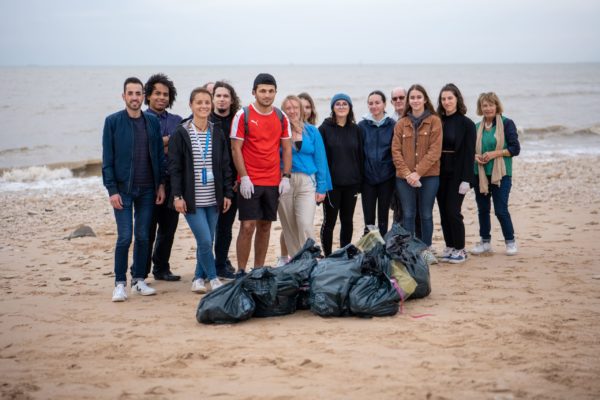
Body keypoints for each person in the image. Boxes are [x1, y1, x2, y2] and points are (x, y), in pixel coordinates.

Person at [102, 77, 165, 302]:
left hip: (148, 188)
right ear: (124, 96)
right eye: (131, 93)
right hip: (123, 190)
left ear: (143, 96)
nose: (135, 98)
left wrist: (161, 185)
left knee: (143, 236)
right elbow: (107, 160)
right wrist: (112, 191)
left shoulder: (152, 122)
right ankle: (120, 283)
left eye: (138, 93)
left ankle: (139, 279)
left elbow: (158, 156)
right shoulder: (112, 122)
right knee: (125, 237)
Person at [168, 87, 233, 293]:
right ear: (191, 105)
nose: (204, 106)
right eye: (199, 103)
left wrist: (228, 193)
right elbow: (175, 168)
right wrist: (177, 196)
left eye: (207, 102)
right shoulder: (181, 132)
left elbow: (224, 166)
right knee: (204, 240)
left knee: (208, 240)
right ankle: (212, 278)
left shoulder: (217, 131)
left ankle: (197, 278)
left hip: (213, 197)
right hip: (191, 198)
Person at [230, 73, 292, 276]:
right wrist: (244, 177)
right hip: (250, 180)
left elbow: (287, 148)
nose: (267, 95)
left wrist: (286, 176)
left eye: (271, 91)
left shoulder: (281, 117)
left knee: (265, 226)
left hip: (273, 181)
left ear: (275, 92)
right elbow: (235, 148)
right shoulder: (243, 114)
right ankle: (240, 270)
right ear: (254, 92)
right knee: (247, 226)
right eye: (262, 91)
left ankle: (257, 270)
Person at [277, 95, 331, 264]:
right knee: (290, 227)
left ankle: (312, 258)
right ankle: (298, 263)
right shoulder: (279, 131)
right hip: (284, 181)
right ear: (283, 111)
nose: (292, 111)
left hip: (307, 182)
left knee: (305, 223)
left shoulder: (312, 131)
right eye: (288, 108)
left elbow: (321, 159)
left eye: (295, 107)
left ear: (301, 110)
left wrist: (322, 188)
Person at [391, 84, 442, 265]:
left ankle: (425, 250)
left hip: (429, 177)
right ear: (408, 101)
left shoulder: (435, 121)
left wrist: (418, 173)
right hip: (404, 179)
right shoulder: (401, 124)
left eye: (418, 97)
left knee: (426, 214)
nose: (415, 100)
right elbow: (395, 151)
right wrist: (408, 174)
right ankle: (409, 251)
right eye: (412, 98)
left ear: (425, 99)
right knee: (408, 214)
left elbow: (434, 151)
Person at [143, 73, 183, 281]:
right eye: (157, 93)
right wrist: (165, 141)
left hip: (171, 181)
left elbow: (178, 148)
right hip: (147, 181)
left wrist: (159, 143)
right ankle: (140, 271)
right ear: (148, 95)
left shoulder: (177, 120)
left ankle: (161, 269)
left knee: (168, 229)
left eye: (165, 94)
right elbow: (145, 148)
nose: (161, 97)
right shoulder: (141, 118)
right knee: (146, 230)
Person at [471, 92, 520, 256]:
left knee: (501, 210)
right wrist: (475, 156)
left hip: (502, 174)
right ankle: (485, 242)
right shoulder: (476, 127)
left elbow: (515, 149)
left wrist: (493, 154)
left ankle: (510, 241)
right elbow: (470, 150)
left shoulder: (507, 124)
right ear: (481, 108)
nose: (488, 108)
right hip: (481, 174)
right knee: (483, 209)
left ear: (496, 106)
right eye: (484, 105)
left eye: (491, 105)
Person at [435, 83, 476, 264]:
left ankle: (460, 249)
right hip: (439, 173)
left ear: (457, 99)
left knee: (453, 211)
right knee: (443, 212)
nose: (446, 102)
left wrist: (467, 179)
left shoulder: (467, 124)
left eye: (450, 98)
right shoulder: (438, 121)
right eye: (443, 99)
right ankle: (450, 246)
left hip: (458, 174)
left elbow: (469, 153)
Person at [319, 93, 363, 256]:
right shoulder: (324, 129)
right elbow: (320, 159)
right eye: (338, 104)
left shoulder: (356, 129)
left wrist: (360, 182)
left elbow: (360, 157)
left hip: (351, 184)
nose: (342, 106)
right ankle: (328, 255)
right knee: (329, 221)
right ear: (332, 107)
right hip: (332, 185)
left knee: (347, 221)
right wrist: (321, 183)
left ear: (350, 107)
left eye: (345, 103)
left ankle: (345, 253)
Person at [210, 81, 241, 279]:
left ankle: (221, 264)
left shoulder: (237, 121)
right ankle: (205, 267)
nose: (222, 99)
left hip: (232, 183)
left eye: (225, 96)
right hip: (207, 183)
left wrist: (240, 177)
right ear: (213, 98)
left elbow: (244, 151)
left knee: (225, 227)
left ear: (231, 100)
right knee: (207, 229)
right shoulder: (204, 120)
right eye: (218, 95)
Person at [358, 90, 396, 236]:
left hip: (387, 178)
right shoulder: (362, 126)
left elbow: (395, 152)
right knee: (369, 218)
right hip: (367, 179)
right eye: (371, 103)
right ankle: (370, 248)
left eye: (377, 103)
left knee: (383, 217)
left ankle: (382, 248)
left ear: (384, 104)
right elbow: (359, 153)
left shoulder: (392, 125)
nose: (374, 106)